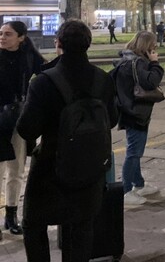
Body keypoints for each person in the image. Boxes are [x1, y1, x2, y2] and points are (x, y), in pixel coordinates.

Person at [17, 20, 117, 261]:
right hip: (90, 169)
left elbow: (27, 130)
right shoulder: (103, 79)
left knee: (34, 224)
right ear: (88, 44)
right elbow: (112, 120)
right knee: (82, 227)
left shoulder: (43, 82)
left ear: (58, 43)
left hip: (50, 170)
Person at [0, 21, 45, 238]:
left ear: (21, 37)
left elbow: (46, 73)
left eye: (8, 34)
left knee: (16, 169)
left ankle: (11, 215)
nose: (2, 37)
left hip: (19, 118)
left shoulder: (29, 56)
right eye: (1, 33)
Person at [113, 31, 165, 206]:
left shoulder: (126, 60)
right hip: (136, 112)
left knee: (135, 150)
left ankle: (139, 184)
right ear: (146, 46)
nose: (155, 47)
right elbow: (151, 82)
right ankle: (126, 190)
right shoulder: (138, 62)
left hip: (128, 109)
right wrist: (155, 63)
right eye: (153, 45)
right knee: (134, 153)